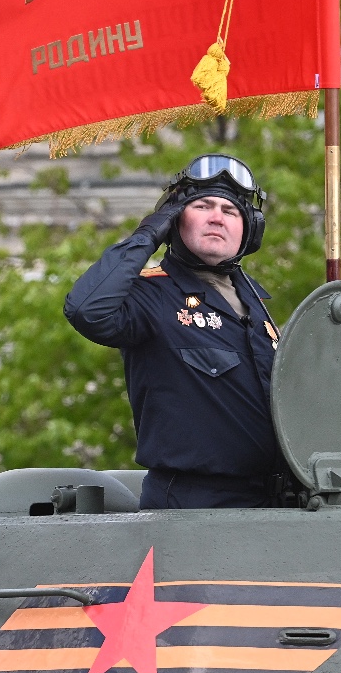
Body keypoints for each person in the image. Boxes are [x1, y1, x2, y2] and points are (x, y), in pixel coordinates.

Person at [65, 153, 289, 508]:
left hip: (269, 501)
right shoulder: (152, 296)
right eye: (203, 206)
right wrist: (148, 235)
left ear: (250, 229)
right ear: (174, 219)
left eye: (230, 211)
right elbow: (87, 310)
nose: (218, 217)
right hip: (192, 503)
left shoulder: (256, 304)